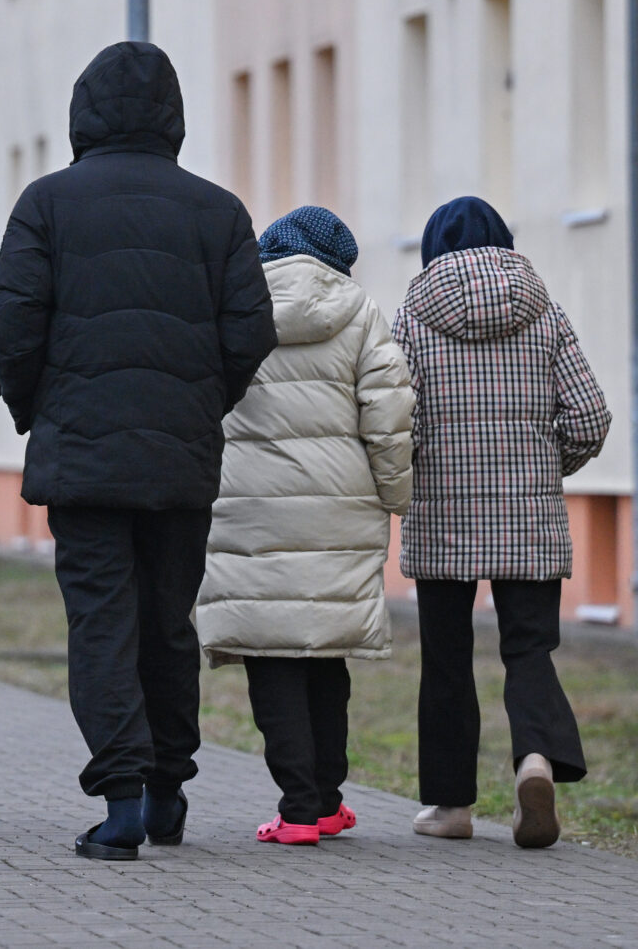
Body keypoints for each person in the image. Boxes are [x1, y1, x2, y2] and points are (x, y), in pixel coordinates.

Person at [0, 42, 276, 860]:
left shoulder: (46, 204)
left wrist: (37, 408)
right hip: (180, 456)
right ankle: (167, 791)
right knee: (167, 624)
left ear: (83, 113)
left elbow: (10, 329)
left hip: (82, 456)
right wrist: (199, 402)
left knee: (101, 624)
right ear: (173, 118)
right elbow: (251, 331)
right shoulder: (218, 212)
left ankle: (120, 801)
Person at [391, 196, 611, 849]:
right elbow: (590, 415)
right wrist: (546, 466)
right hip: (529, 513)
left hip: (443, 517)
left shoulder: (412, 316)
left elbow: (399, 422)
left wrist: (416, 470)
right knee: (529, 649)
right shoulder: (543, 310)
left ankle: (451, 806)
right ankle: (535, 760)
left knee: (447, 660)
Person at [197, 207, 414, 846]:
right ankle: (324, 802)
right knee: (325, 655)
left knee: (271, 657)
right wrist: (395, 495)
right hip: (338, 506)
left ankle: (297, 810)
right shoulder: (360, 312)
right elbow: (389, 412)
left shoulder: (229, 310)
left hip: (247, 506)